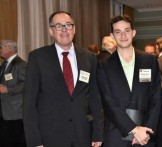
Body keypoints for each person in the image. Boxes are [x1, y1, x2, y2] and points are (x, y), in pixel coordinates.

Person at [23, 11, 103, 147]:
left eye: (68, 25)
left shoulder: (89, 58)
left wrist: (98, 132)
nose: (64, 30)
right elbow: (29, 102)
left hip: (82, 134)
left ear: (74, 29)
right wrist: (34, 140)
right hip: (49, 136)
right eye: (59, 26)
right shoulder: (37, 57)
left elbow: (95, 97)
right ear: (50, 31)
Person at [97, 14, 161, 147]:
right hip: (115, 135)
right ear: (112, 36)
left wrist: (145, 130)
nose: (123, 36)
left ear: (133, 32)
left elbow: (156, 98)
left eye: (127, 30)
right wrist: (133, 129)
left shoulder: (149, 61)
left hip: (145, 136)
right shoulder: (103, 65)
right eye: (118, 32)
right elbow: (108, 103)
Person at [0, 40, 27, 147]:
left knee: (15, 141)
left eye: (1, 46)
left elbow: (26, 84)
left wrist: (8, 89)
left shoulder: (20, 64)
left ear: (10, 48)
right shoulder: (4, 64)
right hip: (4, 111)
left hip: (15, 112)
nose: (0, 49)